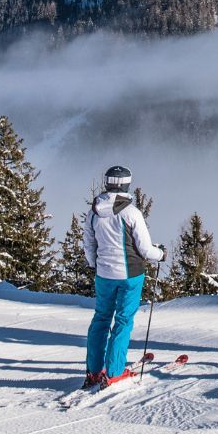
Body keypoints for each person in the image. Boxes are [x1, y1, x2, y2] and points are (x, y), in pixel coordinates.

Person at [83, 165, 167, 387]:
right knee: (122, 321)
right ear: (127, 184)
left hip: (104, 274)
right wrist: (161, 254)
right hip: (130, 274)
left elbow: (89, 245)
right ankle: (114, 372)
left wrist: (96, 265)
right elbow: (146, 249)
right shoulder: (131, 213)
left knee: (101, 318)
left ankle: (93, 371)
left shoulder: (93, 211)